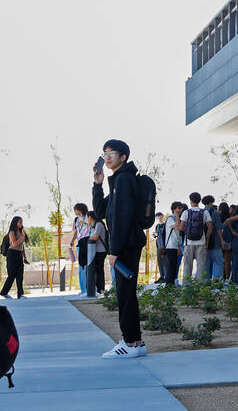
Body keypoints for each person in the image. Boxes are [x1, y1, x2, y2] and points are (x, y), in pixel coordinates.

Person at [92, 138, 148, 358]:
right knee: (126, 293)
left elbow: (122, 218)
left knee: (125, 294)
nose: (107, 157)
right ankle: (136, 342)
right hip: (126, 244)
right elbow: (100, 211)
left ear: (123, 157)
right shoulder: (117, 180)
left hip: (126, 245)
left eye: (112, 153)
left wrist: (114, 251)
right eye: (104, 152)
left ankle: (130, 343)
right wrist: (97, 184)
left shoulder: (124, 180)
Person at [180, 192, 210, 281]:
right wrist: (207, 238)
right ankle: (200, 285)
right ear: (199, 201)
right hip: (201, 241)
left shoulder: (186, 212)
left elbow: (181, 227)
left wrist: (188, 232)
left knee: (187, 264)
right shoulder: (205, 212)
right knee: (201, 264)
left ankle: (186, 285)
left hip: (188, 242)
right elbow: (210, 226)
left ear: (190, 201)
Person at [0, 216, 29, 299]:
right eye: (20, 222)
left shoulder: (21, 232)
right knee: (11, 275)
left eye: (22, 222)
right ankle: (4, 292)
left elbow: (22, 246)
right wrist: (22, 237)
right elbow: (15, 244)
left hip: (19, 254)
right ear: (15, 222)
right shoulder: (12, 232)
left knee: (20, 274)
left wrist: (25, 258)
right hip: (12, 254)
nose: (21, 224)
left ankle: (20, 294)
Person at [222, 204, 238, 284]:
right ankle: (235, 280)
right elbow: (227, 220)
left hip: (233, 239)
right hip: (237, 239)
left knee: (233, 260)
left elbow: (227, 221)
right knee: (237, 260)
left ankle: (233, 279)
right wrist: (233, 232)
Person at [162, 202, 184, 286]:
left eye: (181, 208)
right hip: (170, 245)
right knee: (171, 266)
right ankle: (168, 285)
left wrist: (178, 247)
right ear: (174, 209)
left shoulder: (175, 218)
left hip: (174, 245)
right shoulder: (171, 218)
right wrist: (177, 216)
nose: (180, 210)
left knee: (174, 265)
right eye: (178, 208)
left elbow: (178, 233)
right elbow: (178, 225)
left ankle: (171, 284)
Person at [72, 203, 91, 295]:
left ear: (80, 209)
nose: (74, 211)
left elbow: (92, 228)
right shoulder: (76, 220)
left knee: (88, 265)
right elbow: (76, 232)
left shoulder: (88, 217)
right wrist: (72, 241)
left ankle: (89, 288)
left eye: (75, 209)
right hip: (80, 243)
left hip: (87, 242)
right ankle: (83, 289)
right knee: (81, 266)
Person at [203, 196, 224, 279]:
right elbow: (219, 228)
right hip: (214, 240)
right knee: (218, 261)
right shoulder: (214, 213)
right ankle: (217, 280)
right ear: (211, 202)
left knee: (206, 262)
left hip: (203, 241)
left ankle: (206, 281)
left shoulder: (201, 211)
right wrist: (222, 240)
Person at [88, 210, 108, 296]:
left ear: (90, 217)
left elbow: (95, 237)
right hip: (96, 250)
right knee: (97, 270)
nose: (86, 220)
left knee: (99, 270)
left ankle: (101, 289)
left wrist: (87, 239)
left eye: (87, 218)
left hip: (101, 250)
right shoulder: (94, 225)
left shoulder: (99, 224)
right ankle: (98, 288)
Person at [152, 212, 167, 284]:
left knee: (164, 261)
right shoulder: (157, 225)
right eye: (158, 217)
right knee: (159, 261)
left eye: (160, 216)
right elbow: (157, 235)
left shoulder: (165, 225)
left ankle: (166, 277)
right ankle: (161, 276)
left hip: (164, 246)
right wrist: (155, 235)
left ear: (162, 216)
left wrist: (158, 234)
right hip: (158, 245)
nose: (159, 218)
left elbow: (164, 234)